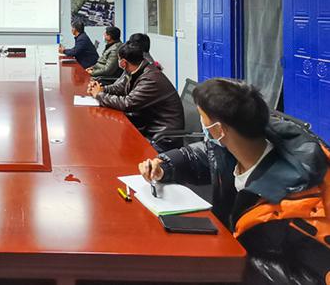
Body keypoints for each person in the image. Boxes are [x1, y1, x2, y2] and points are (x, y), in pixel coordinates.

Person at [138, 79, 330, 284]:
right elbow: (205, 155)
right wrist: (164, 165)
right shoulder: (243, 139)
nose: (202, 124)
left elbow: (308, 277)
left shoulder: (302, 204)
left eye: (203, 117)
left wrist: (233, 263)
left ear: (219, 130)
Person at [88, 42, 184, 139]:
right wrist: (101, 88)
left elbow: (127, 103)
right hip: (146, 124)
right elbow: (120, 88)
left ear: (123, 62)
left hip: (161, 136)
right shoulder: (135, 70)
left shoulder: (150, 79)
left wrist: (99, 95)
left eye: (118, 59)